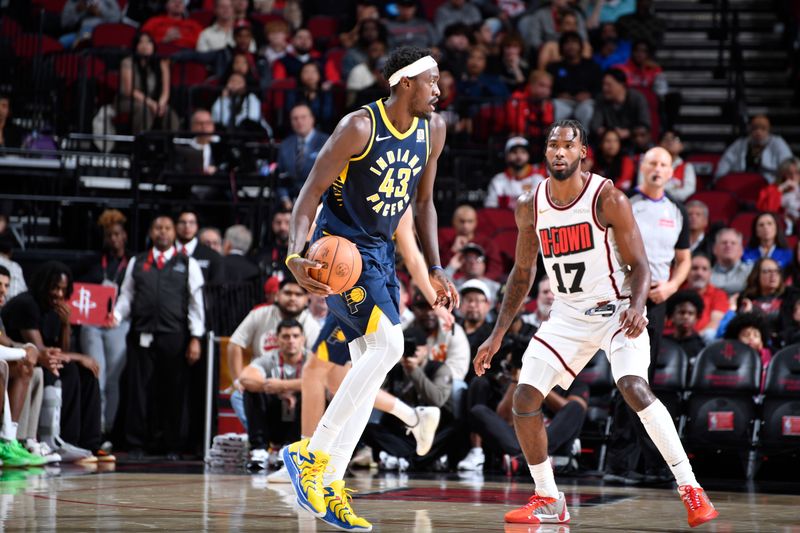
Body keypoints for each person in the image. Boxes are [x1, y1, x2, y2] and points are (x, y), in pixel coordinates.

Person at [472, 120, 718, 527]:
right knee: (524, 400)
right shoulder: (529, 205)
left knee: (633, 387)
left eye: (568, 146)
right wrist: (497, 335)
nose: (559, 152)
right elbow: (521, 273)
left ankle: (691, 487)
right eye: (553, 145)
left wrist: (638, 305)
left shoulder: (609, 199)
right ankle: (549, 498)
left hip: (617, 307)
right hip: (567, 313)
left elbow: (640, 265)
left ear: (583, 152)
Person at [282, 47, 458, 531]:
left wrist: (437, 265)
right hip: (337, 250)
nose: (439, 89)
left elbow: (425, 204)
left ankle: (333, 480)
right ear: (405, 84)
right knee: (391, 345)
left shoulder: (433, 129)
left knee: (369, 366)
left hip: (379, 255)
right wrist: (295, 255)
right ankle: (312, 455)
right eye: (432, 81)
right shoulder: (360, 127)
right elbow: (308, 194)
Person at [112, 216, 205, 459]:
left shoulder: (187, 263)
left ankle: (173, 445)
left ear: (174, 233)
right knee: (138, 391)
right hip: (141, 334)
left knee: (174, 392)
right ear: (151, 232)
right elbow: (126, 295)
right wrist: (116, 316)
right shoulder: (138, 261)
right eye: (157, 227)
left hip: (175, 336)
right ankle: (135, 444)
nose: (162, 232)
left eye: (167, 228)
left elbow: (196, 304)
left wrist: (196, 337)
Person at [2, 262, 104, 463]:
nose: (58, 294)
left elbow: (61, 351)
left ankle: (90, 443)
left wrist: (66, 324)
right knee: (68, 371)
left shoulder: (56, 310)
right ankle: (61, 440)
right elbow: (42, 353)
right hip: (23, 360)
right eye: (55, 288)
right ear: (43, 286)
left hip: (33, 360)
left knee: (87, 374)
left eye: (63, 289)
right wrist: (79, 357)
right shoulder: (27, 304)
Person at [78, 209, 131, 437]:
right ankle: (95, 427)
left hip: (118, 324)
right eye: (110, 235)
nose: (114, 239)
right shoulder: (92, 262)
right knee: (96, 373)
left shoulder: (132, 262)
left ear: (125, 235)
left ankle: (109, 428)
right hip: (92, 324)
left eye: (118, 234)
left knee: (113, 379)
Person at [239, 318, 306, 466]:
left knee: (311, 393)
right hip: (274, 420)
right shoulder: (268, 358)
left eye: (295, 336)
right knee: (251, 390)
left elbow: (322, 383)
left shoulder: (311, 359)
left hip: (299, 422)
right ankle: (259, 449)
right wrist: (278, 391)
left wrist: (282, 385)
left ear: (303, 339)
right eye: (286, 336)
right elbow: (245, 378)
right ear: (277, 339)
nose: (291, 341)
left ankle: (291, 448)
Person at [118, 32, 180, 135]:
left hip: (154, 102)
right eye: (141, 42)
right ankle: (141, 145)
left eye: (149, 42)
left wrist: (161, 104)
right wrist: (151, 103)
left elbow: (165, 91)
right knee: (144, 111)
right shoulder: (127, 62)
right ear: (135, 46)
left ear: (153, 46)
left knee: (169, 113)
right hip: (128, 101)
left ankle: (170, 146)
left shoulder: (162, 64)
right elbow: (130, 90)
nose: (145, 46)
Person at [276, 104, 330, 206]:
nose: (299, 121)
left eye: (303, 117)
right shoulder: (285, 145)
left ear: (312, 119)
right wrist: (285, 200)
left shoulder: (327, 142)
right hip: (290, 202)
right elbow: (280, 177)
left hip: (320, 201)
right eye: (295, 118)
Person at [715, 115, 793, 183]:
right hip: (743, 182)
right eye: (755, 129)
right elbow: (725, 161)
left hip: (770, 182)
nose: (758, 132)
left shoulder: (777, 143)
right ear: (750, 130)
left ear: (768, 130)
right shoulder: (740, 144)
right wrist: (718, 179)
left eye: (763, 129)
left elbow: (788, 164)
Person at [547, 32, 601, 129]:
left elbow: (599, 88)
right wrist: (558, 95)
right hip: (562, 102)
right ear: (561, 47)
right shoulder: (553, 67)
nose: (571, 46)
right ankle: (557, 141)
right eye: (567, 43)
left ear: (580, 46)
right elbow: (548, 89)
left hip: (584, 102)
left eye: (574, 42)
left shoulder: (592, 66)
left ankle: (585, 141)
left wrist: (589, 95)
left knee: (587, 110)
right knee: (554, 107)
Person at [590, 68, 651, 145]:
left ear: (621, 85)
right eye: (603, 84)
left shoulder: (637, 98)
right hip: (611, 142)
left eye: (609, 85)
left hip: (633, 140)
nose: (604, 88)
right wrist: (610, 132)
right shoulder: (601, 100)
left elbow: (645, 124)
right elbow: (595, 125)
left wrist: (629, 132)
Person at [485, 137, 546, 210]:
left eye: (523, 152)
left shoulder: (538, 180)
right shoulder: (498, 180)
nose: (519, 156)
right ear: (506, 156)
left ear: (528, 155)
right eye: (514, 152)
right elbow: (490, 209)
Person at [685, 254, 728, 341]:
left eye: (704, 269)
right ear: (686, 272)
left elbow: (715, 323)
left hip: (702, 340)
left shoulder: (719, 295)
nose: (699, 273)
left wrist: (692, 340)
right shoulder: (677, 291)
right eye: (694, 268)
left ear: (710, 274)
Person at [175, 210, 225, 285]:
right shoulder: (165, 252)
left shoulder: (212, 256)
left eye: (192, 222)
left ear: (197, 226)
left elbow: (217, 288)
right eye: (182, 222)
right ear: (175, 225)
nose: (187, 226)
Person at [664, 290, 706, 361]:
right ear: (672, 316)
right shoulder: (663, 343)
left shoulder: (700, 346)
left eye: (690, 313)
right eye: (681, 312)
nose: (686, 317)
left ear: (696, 318)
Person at [711, 228, 753, 297]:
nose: (728, 246)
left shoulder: (750, 271)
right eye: (724, 243)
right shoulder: (706, 274)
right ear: (715, 249)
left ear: (741, 250)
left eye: (733, 243)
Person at [0, 235, 26, 301]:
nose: (3, 289)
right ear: (10, 252)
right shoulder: (15, 267)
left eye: (6, 286)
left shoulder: (15, 267)